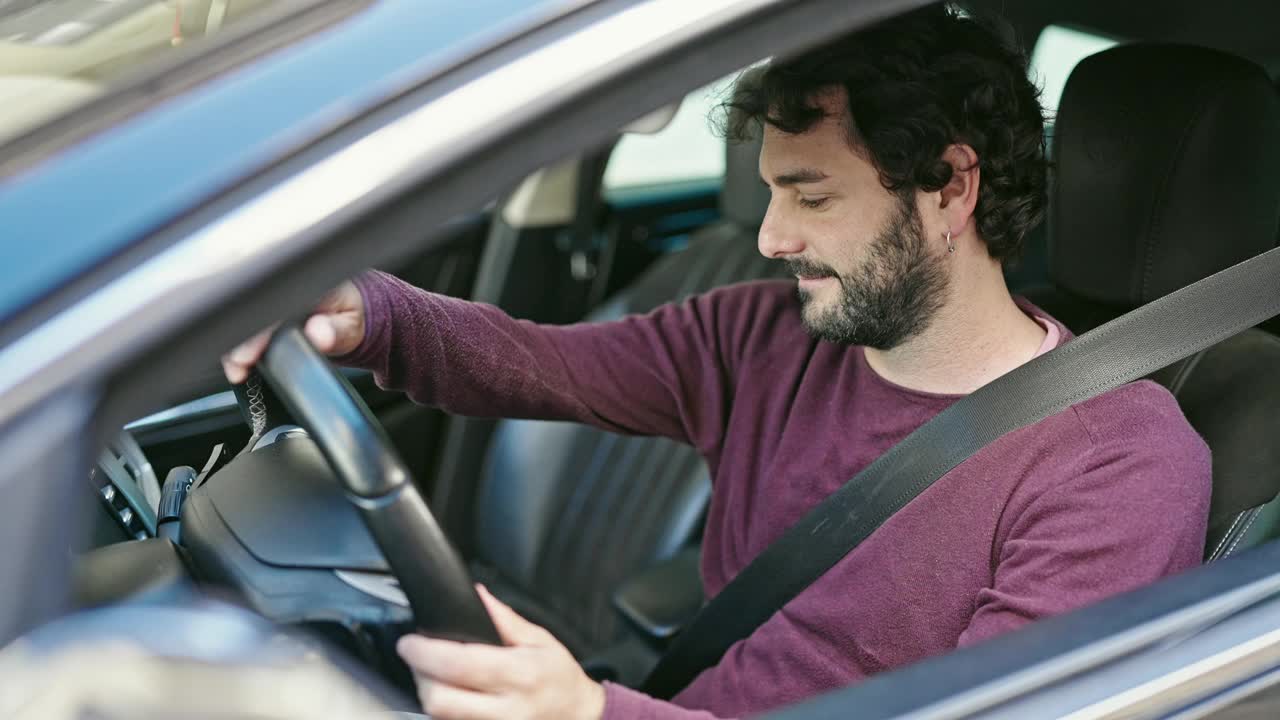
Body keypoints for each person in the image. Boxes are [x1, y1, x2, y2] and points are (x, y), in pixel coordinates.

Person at [223, 6, 1211, 720]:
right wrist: (364, 315)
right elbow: (539, 364)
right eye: (769, 193)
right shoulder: (759, 338)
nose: (770, 237)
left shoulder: (1116, 460)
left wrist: (586, 716)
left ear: (949, 189)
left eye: (811, 197)